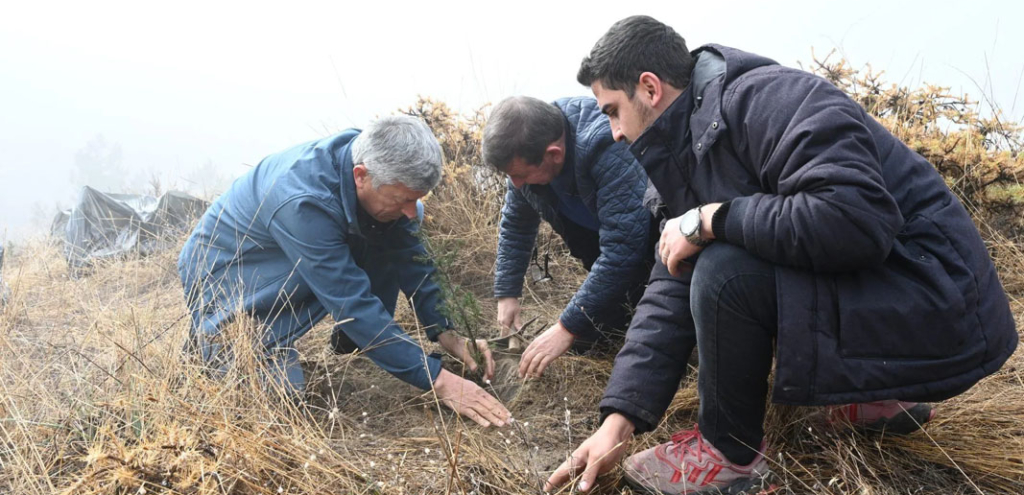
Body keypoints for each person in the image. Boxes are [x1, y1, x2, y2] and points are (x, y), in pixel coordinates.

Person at [547, 15, 1018, 494]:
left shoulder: (769, 99)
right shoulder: (681, 152)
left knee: (723, 270)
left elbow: (855, 219)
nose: (613, 133)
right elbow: (670, 281)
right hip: (901, 294)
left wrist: (713, 220)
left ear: (649, 88)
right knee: (707, 260)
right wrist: (617, 421)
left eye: (611, 110)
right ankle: (876, 398)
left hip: (941, 300)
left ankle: (727, 456)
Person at [178, 115, 510, 428]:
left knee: (392, 224)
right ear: (361, 176)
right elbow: (351, 301)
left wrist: (449, 333)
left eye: (416, 198)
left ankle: (354, 348)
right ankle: (212, 344)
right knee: (277, 401)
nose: (411, 211)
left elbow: (416, 263)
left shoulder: (377, 176)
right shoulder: (302, 201)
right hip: (230, 270)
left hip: (296, 254)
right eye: (402, 198)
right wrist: (437, 380)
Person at [482, 96, 655, 379]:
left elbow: (624, 248)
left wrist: (566, 326)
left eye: (519, 174)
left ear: (554, 154)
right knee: (593, 339)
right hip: (600, 244)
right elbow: (516, 225)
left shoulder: (606, 147)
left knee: (647, 341)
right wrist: (507, 292)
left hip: (655, 242)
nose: (515, 184)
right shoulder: (527, 154)